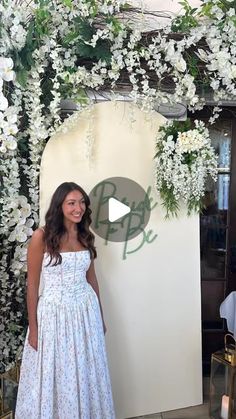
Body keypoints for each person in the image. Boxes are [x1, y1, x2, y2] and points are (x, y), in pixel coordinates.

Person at [15, 182, 115, 418]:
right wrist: (34, 329)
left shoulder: (84, 235)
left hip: (85, 313)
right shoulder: (41, 236)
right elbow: (32, 286)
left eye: (81, 202)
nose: (78, 208)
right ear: (59, 206)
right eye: (71, 203)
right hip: (54, 315)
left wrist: (100, 317)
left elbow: (92, 280)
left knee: (86, 371)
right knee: (58, 373)